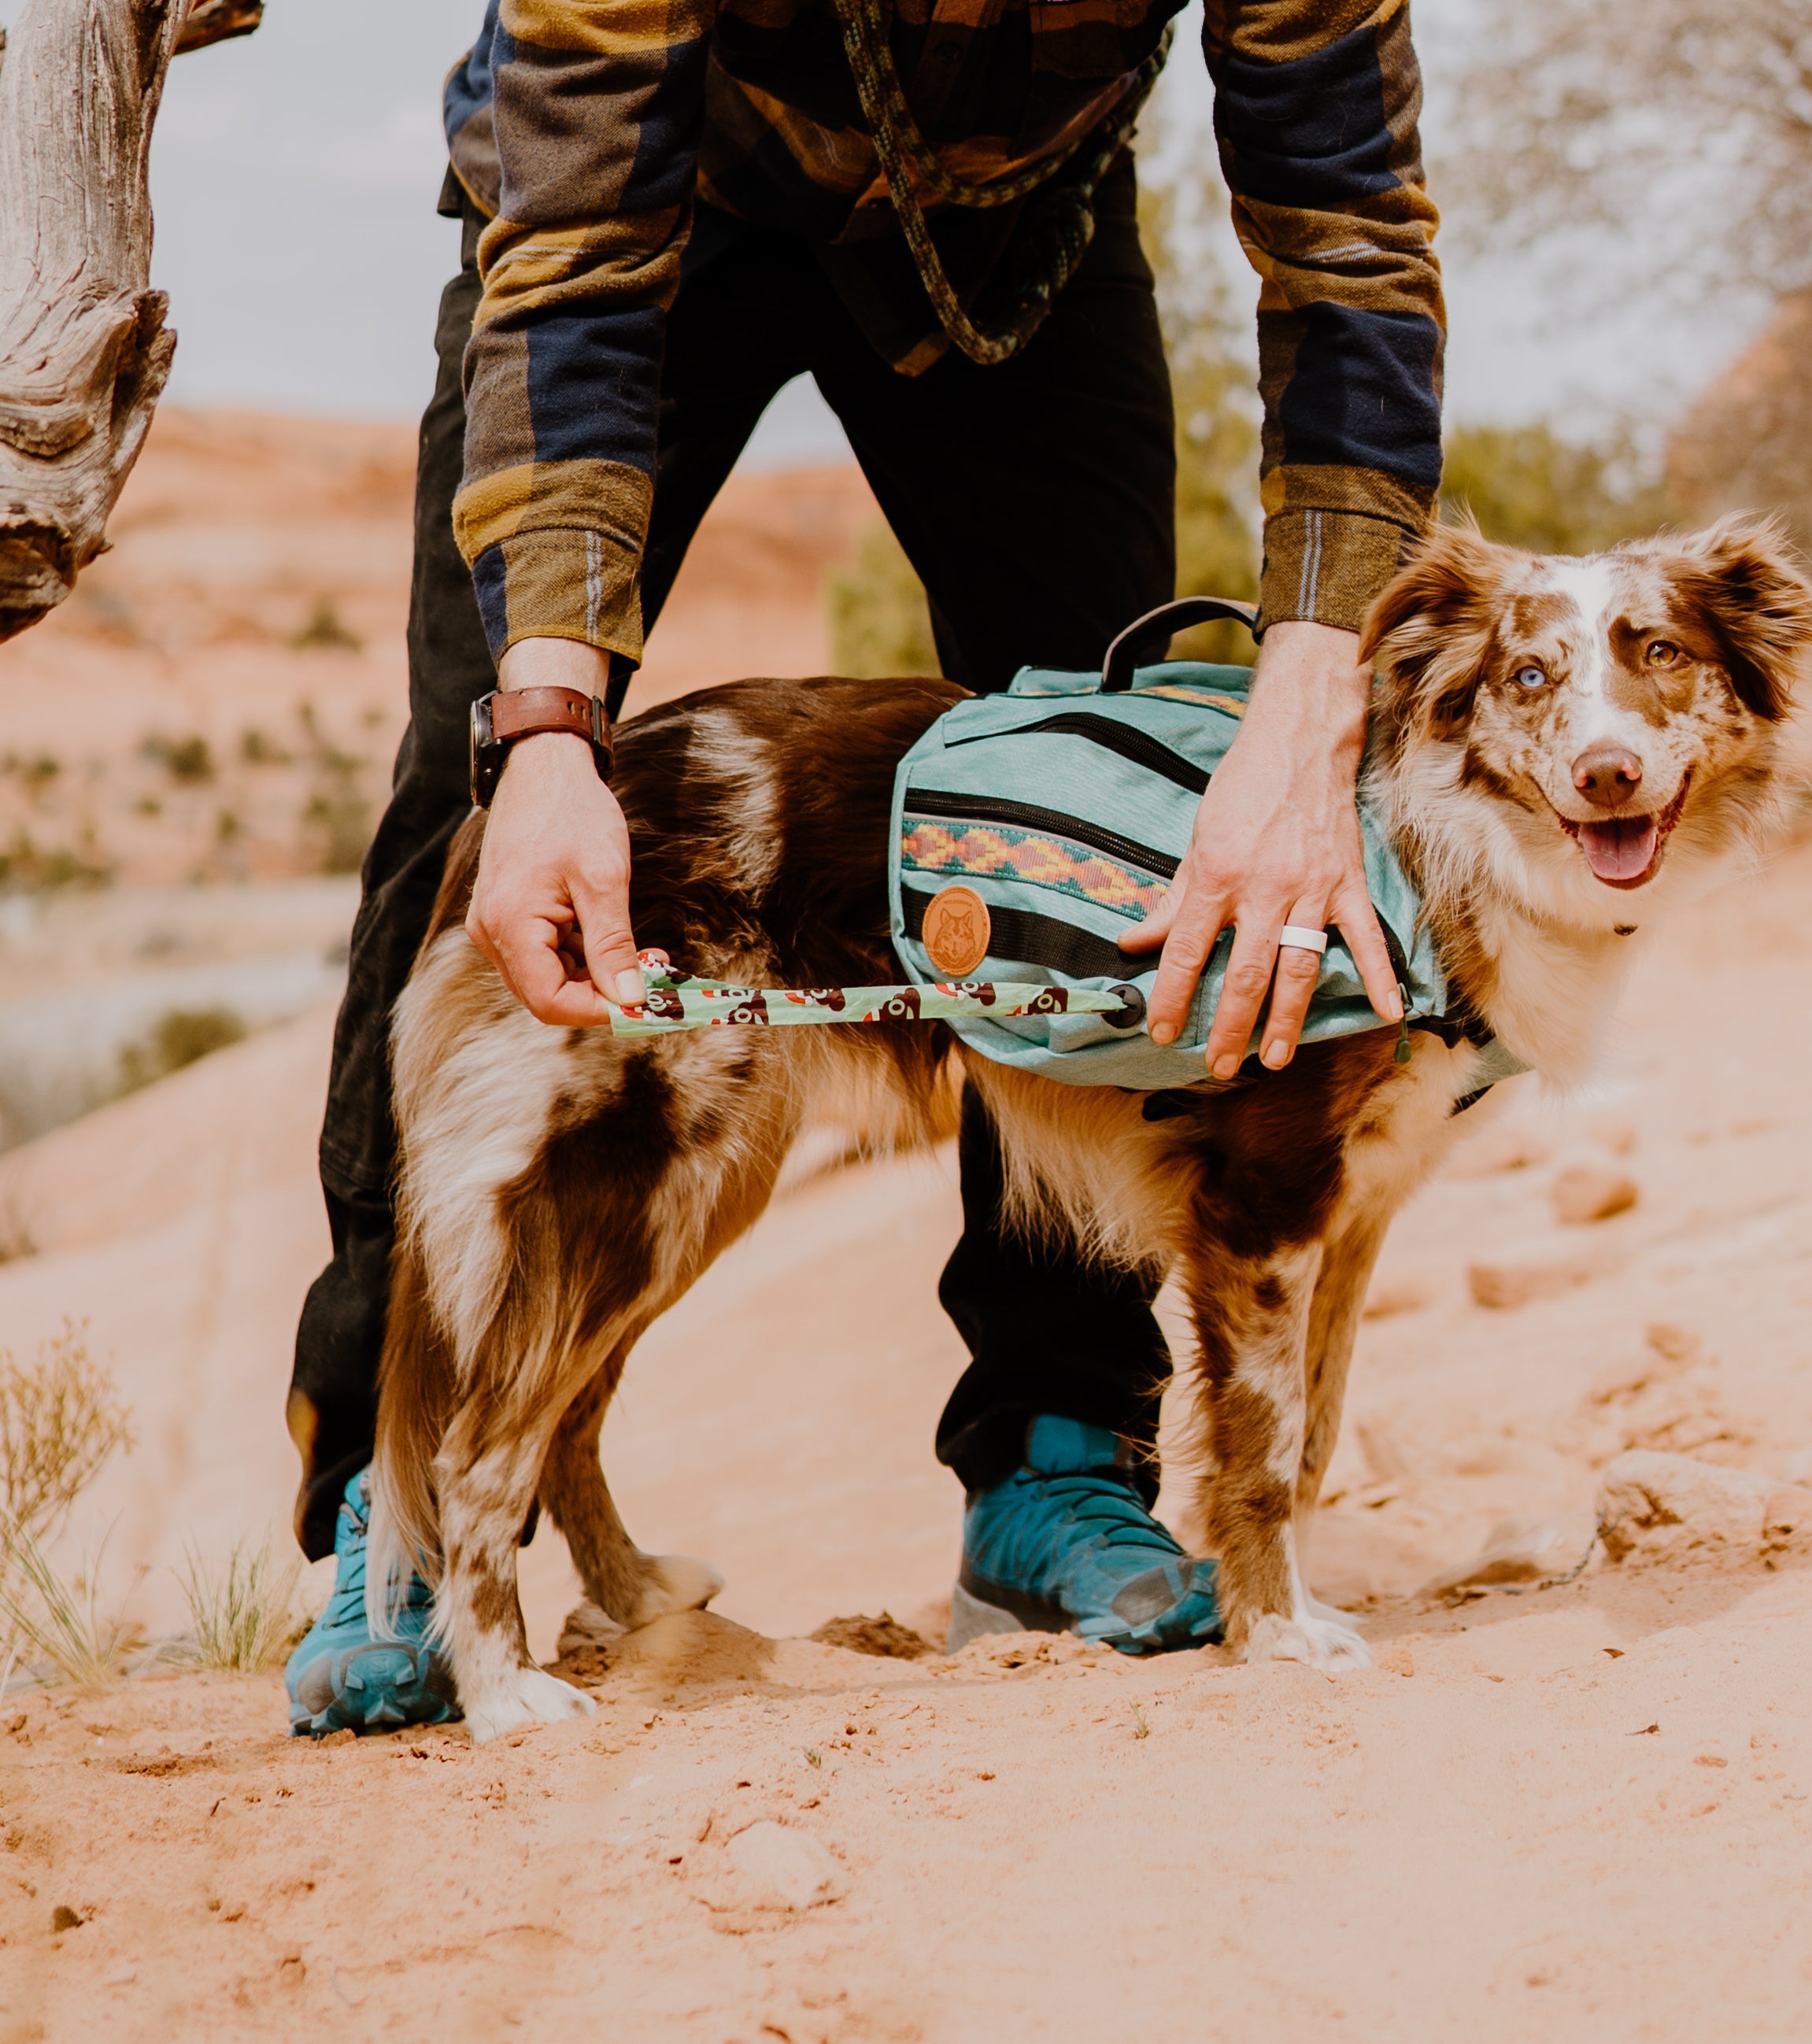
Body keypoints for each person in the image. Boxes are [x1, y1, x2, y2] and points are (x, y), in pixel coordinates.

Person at [283, 0, 1442, 1734]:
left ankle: (1058, 1456)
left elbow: (1346, 223)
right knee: (482, 808)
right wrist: (546, 732)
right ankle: (399, 1504)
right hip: (655, 194)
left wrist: (1312, 684)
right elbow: (577, 237)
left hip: (1014, 241)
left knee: (1106, 804)